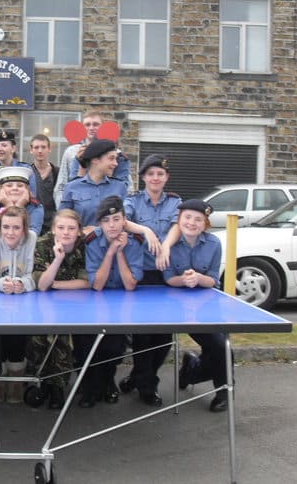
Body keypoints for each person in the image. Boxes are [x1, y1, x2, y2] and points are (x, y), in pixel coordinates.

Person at [119, 154, 182, 407]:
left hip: (166, 274)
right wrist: (145, 230)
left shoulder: (175, 201)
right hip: (141, 274)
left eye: (161, 174)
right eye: (151, 174)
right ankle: (147, 387)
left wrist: (166, 243)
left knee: (164, 336)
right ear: (144, 177)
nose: (156, 178)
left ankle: (138, 376)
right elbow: (123, 221)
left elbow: (179, 224)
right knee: (143, 336)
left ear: (166, 178)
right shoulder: (133, 200)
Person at [164, 199, 229, 413]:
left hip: (204, 305)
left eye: (198, 219)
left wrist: (198, 278)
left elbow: (212, 280)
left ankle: (223, 392)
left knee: (220, 345)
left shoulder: (214, 244)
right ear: (179, 220)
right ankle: (191, 370)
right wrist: (183, 280)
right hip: (174, 304)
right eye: (188, 218)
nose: (192, 223)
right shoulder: (169, 244)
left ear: (205, 224)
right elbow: (168, 278)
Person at [78, 196, 143, 408]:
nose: (112, 225)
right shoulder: (92, 241)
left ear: (124, 220)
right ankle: (90, 388)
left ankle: (108, 381)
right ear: (100, 224)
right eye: (107, 221)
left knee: (114, 347)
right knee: (86, 344)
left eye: (116, 219)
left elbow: (130, 284)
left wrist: (121, 252)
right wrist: (111, 252)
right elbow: (97, 285)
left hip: (122, 302)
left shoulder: (134, 242)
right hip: (94, 302)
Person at [29, 209, 89, 410]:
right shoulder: (42, 244)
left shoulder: (85, 246)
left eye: (71, 228)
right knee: (39, 340)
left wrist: (55, 284)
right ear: (53, 229)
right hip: (43, 302)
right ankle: (44, 382)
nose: (66, 232)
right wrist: (56, 260)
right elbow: (41, 285)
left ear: (79, 231)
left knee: (62, 341)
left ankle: (58, 388)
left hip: (76, 301)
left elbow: (87, 282)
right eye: (61, 227)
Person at [60, 139, 158, 253]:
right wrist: (80, 231)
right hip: (80, 250)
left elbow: (124, 221)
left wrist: (98, 230)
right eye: (111, 158)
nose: (115, 163)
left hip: (111, 249)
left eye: (116, 159)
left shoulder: (119, 187)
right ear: (96, 160)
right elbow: (62, 220)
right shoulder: (72, 187)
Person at [0, 206, 37, 403]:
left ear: (24, 228)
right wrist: (2, 284)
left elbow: (32, 275)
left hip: (23, 300)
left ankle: (15, 383)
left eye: (16, 228)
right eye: (6, 227)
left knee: (17, 339)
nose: (10, 232)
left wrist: (22, 284)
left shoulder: (31, 238)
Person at [53, 109, 132, 207]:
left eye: (95, 124)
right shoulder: (71, 152)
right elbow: (61, 186)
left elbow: (127, 188)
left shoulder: (116, 155)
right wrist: (65, 209)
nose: (91, 128)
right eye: (87, 124)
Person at [0, 166, 44, 235]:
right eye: (9, 185)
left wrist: (19, 207)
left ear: (27, 189)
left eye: (20, 186)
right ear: (1, 189)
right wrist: (10, 206)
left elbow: (32, 236)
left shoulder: (36, 207)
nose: (15, 188)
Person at [29, 134, 59, 234]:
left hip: (53, 224)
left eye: (43, 147)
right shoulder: (26, 173)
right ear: (31, 150)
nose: (40, 150)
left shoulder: (57, 173)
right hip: (31, 223)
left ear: (49, 149)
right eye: (36, 147)